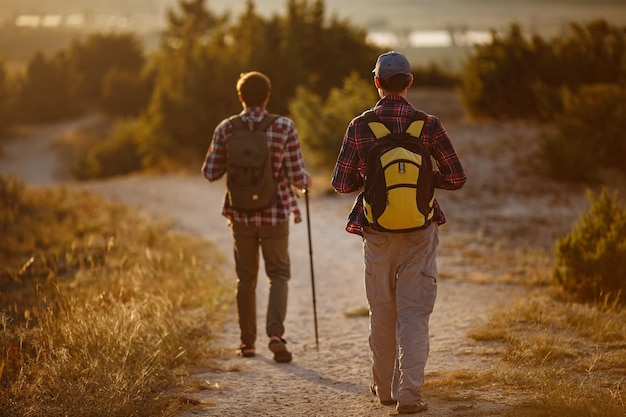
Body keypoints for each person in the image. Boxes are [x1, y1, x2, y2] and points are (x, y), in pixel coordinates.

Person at [331, 51, 466, 413]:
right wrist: (424, 181)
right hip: (420, 232)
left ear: (376, 82)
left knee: (383, 312)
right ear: (409, 81)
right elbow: (457, 177)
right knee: (414, 314)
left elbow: (341, 183)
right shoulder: (429, 124)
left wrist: (372, 181)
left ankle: (384, 388)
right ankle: (410, 395)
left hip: (376, 232)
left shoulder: (360, 125)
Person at [202, 71, 310, 363]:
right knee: (278, 275)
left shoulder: (226, 128)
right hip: (275, 213)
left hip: (240, 215)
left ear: (240, 96)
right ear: (267, 96)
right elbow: (298, 177)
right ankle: (275, 335)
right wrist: (305, 181)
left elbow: (210, 173)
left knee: (245, 279)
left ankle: (247, 343)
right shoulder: (284, 126)